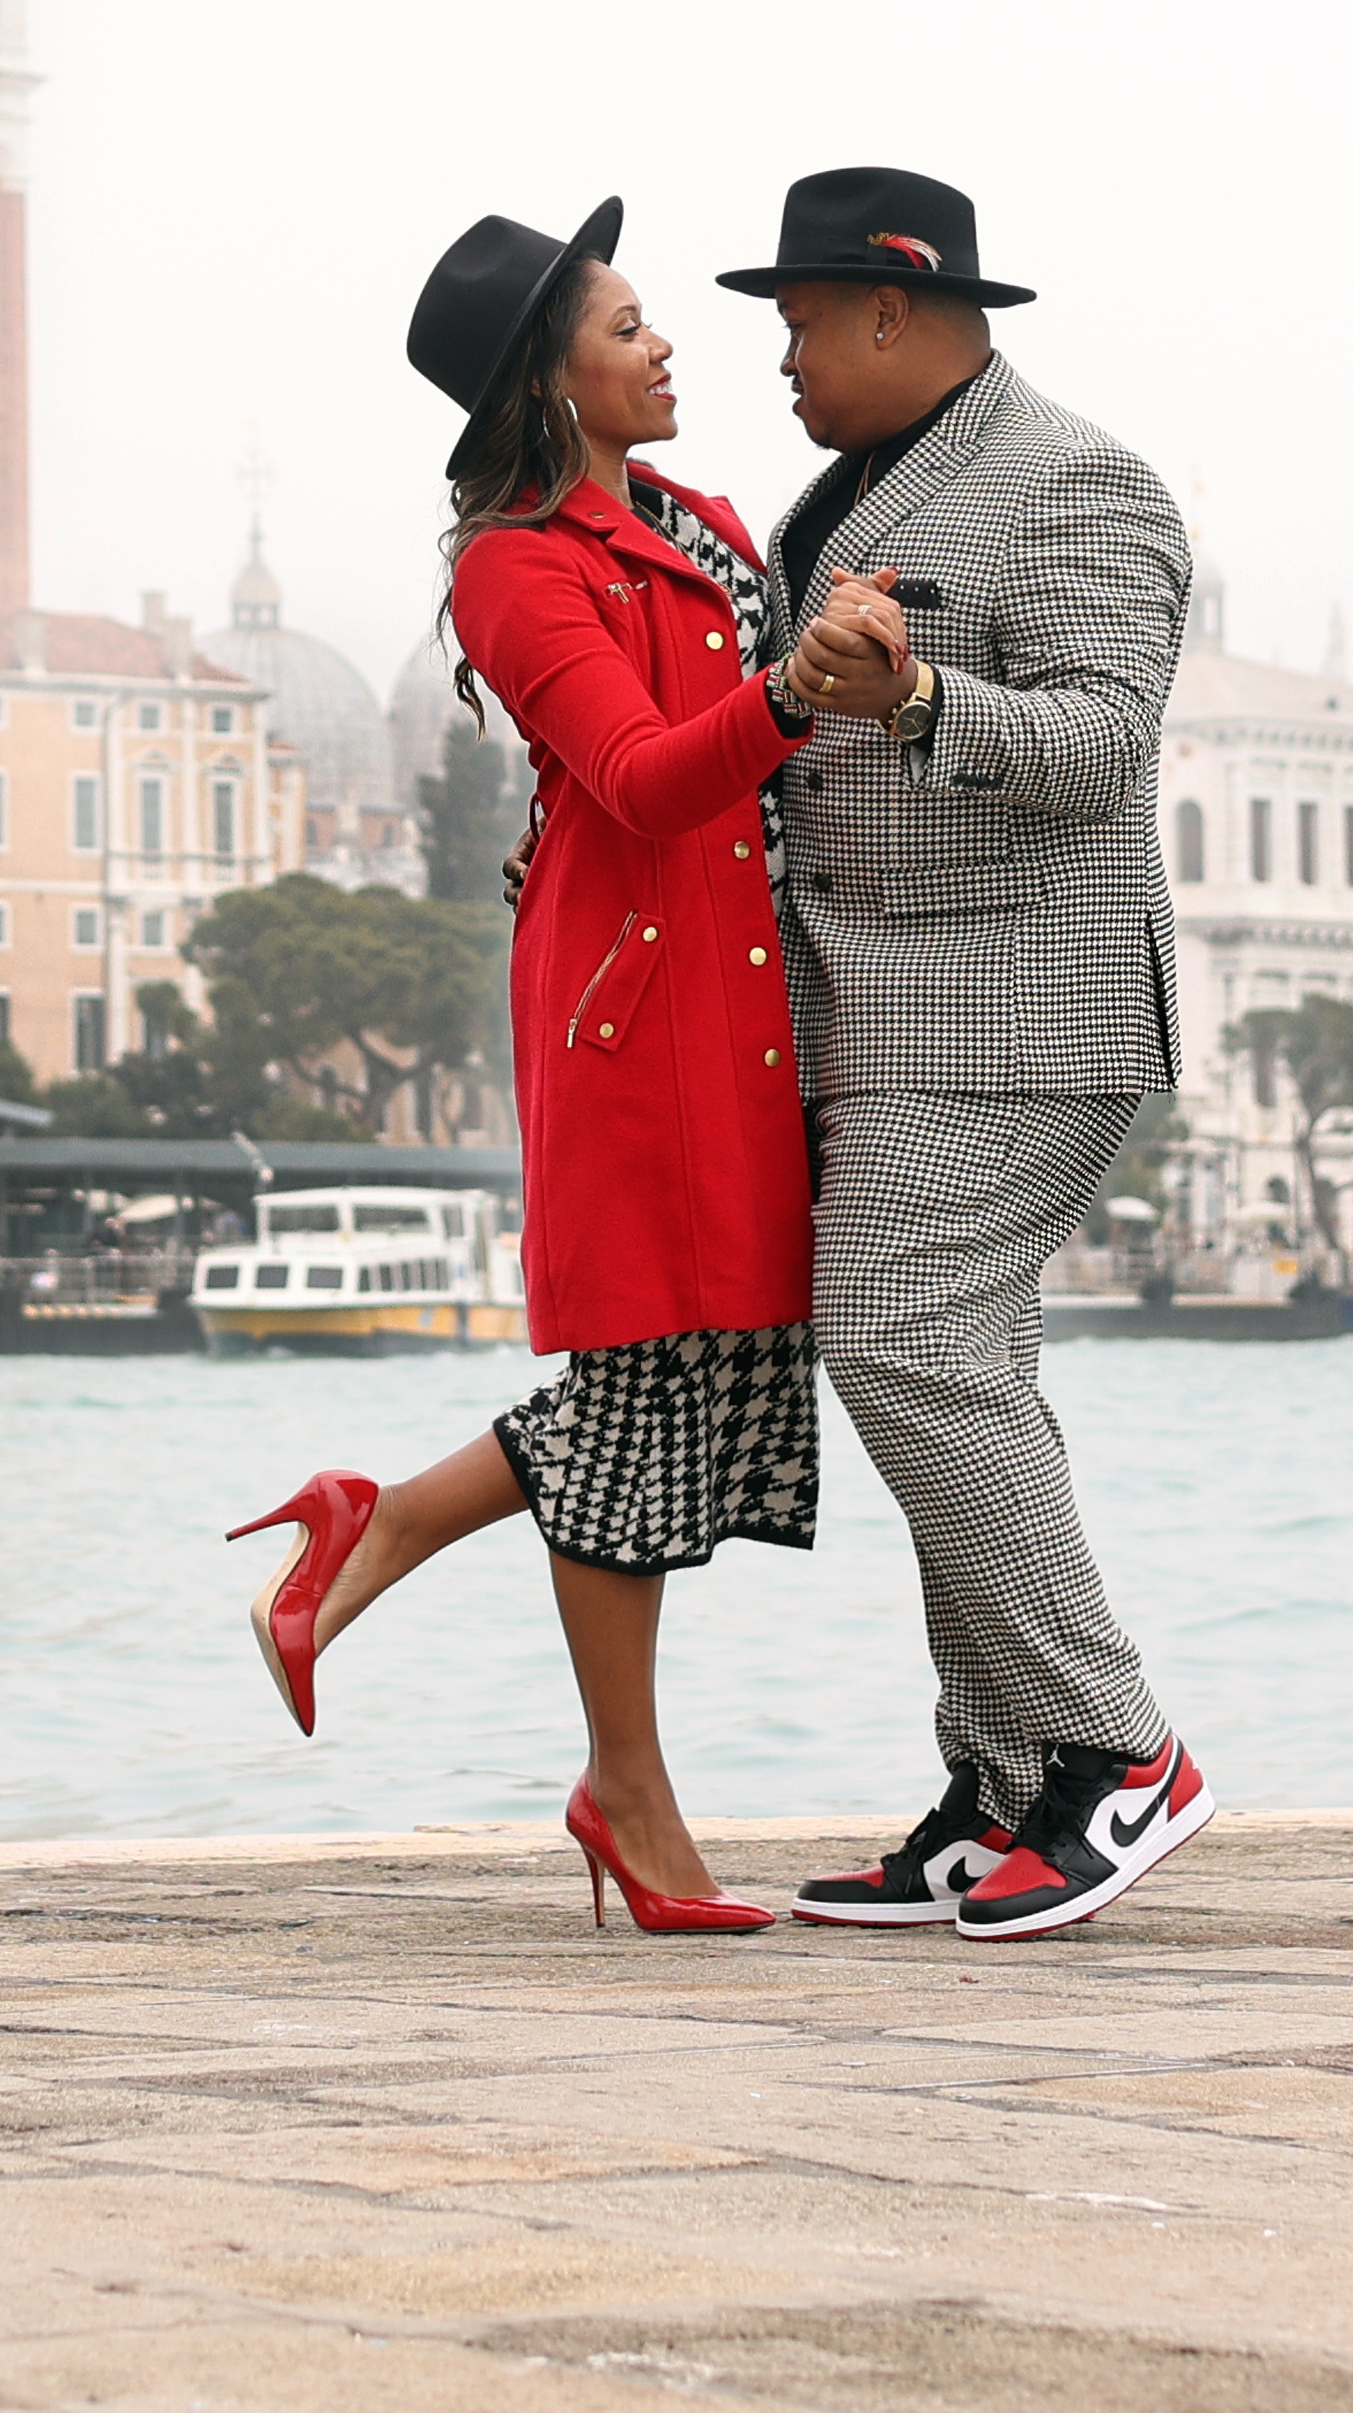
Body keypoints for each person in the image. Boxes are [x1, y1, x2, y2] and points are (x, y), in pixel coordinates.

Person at [226, 198, 820, 1936]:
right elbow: (640, 775)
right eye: (627, 325)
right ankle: (625, 1798)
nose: (663, 345)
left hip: (745, 999)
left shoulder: (699, 521)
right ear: (547, 381)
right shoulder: (513, 568)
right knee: (645, 1383)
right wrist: (798, 689)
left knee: (694, 1379)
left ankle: (381, 1527)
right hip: (642, 1023)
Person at [714, 164, 1213, 1943]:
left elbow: (1096, 747)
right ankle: (1004, 1791)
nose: (775, 360)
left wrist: (917, 701)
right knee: (942, 1366)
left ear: (888, 309)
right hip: (880, 1010)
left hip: (1026, 1006)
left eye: (791, 324)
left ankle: (1110, 1749)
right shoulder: (832, 500)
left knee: (906, 1342)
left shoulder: (1082, 482)